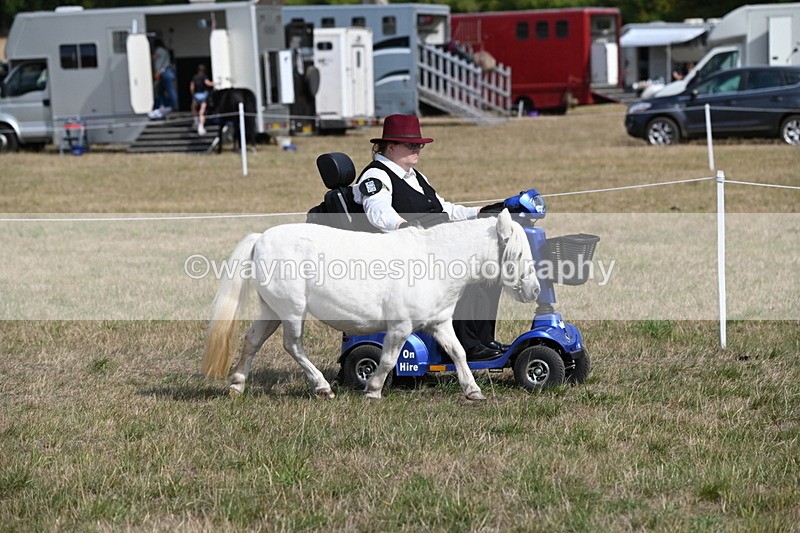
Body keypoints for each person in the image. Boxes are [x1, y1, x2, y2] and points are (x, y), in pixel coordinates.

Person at [352, 114, 509, 361]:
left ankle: (483, 340)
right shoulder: (376, 176)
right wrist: (403, 225)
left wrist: (479, 212)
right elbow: (377, 211)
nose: (417, 149)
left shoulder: (415, 176)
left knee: (489, 273)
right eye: (411, 145)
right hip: (406, 253)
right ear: (391, 146)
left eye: (419, 145)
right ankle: (468, 346)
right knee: (466, 274)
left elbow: (444, 209)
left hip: (433, 248)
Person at [151, 39, 177, 114]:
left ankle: (166, 105)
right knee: (166, 90)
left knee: (166, 90)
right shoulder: (165, 51)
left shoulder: (159, 50)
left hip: (164, 72)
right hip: (168, 72)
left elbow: (155, 59)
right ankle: (171, 105)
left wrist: (157, 72)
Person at [190, 64, 215, 136]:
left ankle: (195, 121)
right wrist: (216, 83)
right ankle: (200, 127)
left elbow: (191, 87)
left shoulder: (195, 77)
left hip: (196, 95)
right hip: (203, 95)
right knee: (202, 112)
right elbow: (208, 83)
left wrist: (193, 94)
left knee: (194, 108)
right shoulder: (204, 76)